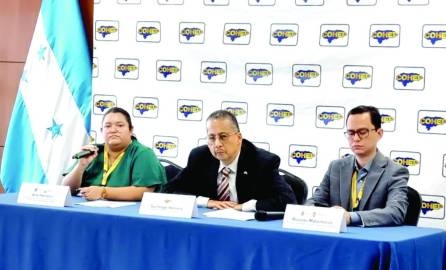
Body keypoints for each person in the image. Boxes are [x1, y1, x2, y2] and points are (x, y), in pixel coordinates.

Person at [164, 110, 296, 211]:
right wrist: (206, 202)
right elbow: (171, 190)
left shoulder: (262, 161)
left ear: (239, 138)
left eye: (223, 137)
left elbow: (288, 201)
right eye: (212, 137)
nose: (217, 144)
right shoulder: (200, 157)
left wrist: (244, 206)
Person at [306, 105, 409, 227]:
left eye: (362, 132)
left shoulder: (394, 171)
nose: (355, 138)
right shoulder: (336, 167)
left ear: (379, 133)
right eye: (351, 133)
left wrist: (351, 217)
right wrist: (325, 214)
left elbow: (395, 212)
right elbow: (313, 203)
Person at [63, 107, 166, 201]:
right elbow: (67, 189)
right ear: (101, 131)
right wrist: (81, 166)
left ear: (130, 130)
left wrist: (103, 192)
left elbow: (145, 191)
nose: (113, 130)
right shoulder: (92, 152)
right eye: (107, 126)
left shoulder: (143, 154)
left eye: (120, 125)